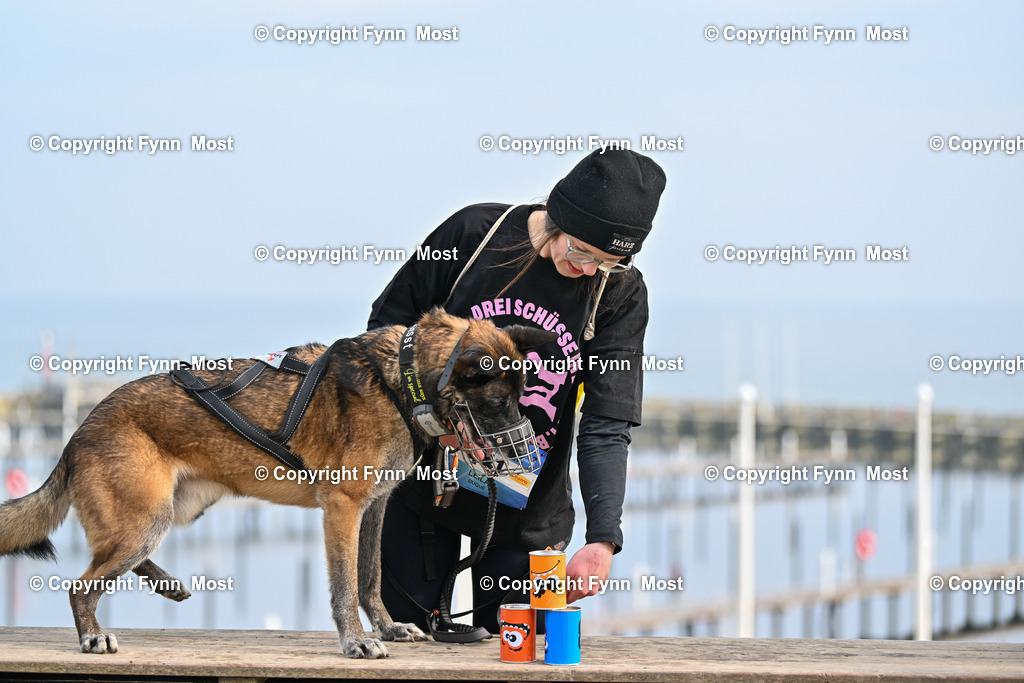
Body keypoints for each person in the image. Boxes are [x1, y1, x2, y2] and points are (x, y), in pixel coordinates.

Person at [367, 149, 666, 633]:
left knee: (521, 659)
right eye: (581, 251)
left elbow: (606, 425)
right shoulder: (470, 236)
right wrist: (434, 423)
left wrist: (603, 537)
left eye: (609, 263)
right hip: (421, 487)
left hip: (528, 513)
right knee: (409, 649)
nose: (589, 270)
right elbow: (382, 338)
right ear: (559, 217)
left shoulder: (620, 293)